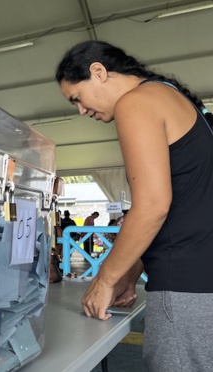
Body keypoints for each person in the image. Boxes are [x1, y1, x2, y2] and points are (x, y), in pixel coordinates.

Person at [56, 40, 213, 371]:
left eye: (77, 99)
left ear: (98, 72)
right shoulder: (174, 99)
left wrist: (104, 280)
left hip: (186, 289)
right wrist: (131, 271)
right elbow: (186, 206)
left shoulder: (136, 103)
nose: (80, 111)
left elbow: (154, 205)